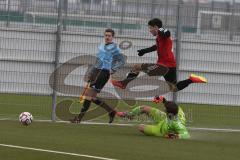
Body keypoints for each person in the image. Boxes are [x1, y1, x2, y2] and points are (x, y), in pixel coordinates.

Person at [111, 18, 207, 92]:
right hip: (171, 65)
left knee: (136, 67)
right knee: (174, 88)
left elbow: (167, 33)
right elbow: (156, 47)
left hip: (163, 66)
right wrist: (144, 51)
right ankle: (191, 80)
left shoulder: (162, 34)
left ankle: (123, 84)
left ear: (155, 27)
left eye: (150, 28)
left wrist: (161, 30)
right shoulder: (159, 38)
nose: (149, 30)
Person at [70, 28, 125, 123]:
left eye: (109, 36)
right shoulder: (102, 46)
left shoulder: (114, 48)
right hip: (97, 72)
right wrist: (91, 72)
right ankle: (111, 111)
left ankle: (79, 118)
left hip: (104, 73)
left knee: (88, 95)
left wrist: (113, 69)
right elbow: (97, 61)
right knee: (93, 97)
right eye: (106, 35)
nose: (107, 37)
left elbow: (122, 60)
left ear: (113, 37)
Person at [117, 96, 190, 139]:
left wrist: (174, 136)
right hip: (164, 118)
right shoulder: (176, 108)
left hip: (161, 131)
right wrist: (163, 99)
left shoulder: (177, 123)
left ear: (168, 112)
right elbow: (169, 105)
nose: (163, 108)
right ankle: (130, 115)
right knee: (144, 108)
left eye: (165, 108)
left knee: (141, 127)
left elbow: (186, 135)